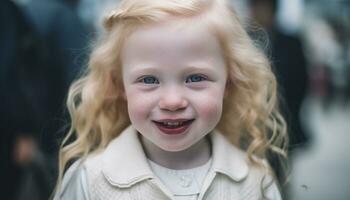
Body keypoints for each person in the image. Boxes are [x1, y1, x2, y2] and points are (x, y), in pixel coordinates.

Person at [53, 0, 288, 199]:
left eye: (195, 77)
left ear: (229, 82)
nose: (172, 101)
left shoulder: (256, 183)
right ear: (119, 85)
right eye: (149, 80)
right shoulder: (91, 181)